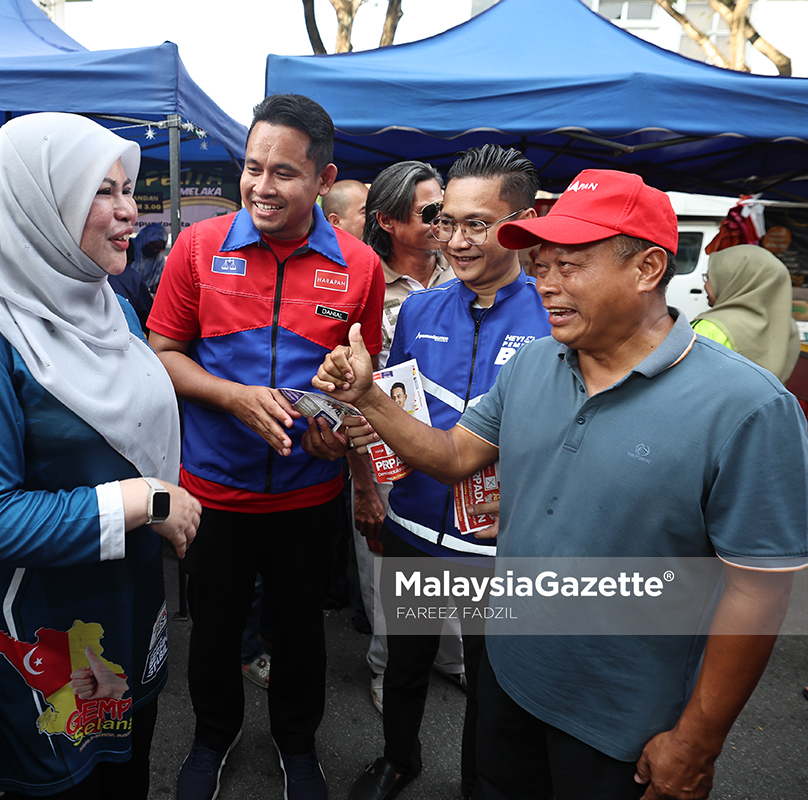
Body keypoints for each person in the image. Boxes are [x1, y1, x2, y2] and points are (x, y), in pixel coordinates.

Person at [315, 168, 808, 800]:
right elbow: (455, 453)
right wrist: (370, 402)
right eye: (541, 265)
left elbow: (758, 591)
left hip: (621, 729)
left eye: (568, 266)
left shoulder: (747, 407)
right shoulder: (533, 365)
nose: (545, 285)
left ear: (649, 267)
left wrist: (697, 740)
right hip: (510, 688)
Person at [0, 112, 200, 800]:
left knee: (126, 768)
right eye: (103, 190)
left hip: (124, 595)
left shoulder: (107, 302)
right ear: (38, 200)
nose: (130, 210)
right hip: (37, 613)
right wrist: (142, 499)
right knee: (66, 782)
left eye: (130, 188)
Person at [148, 94, 383, 800]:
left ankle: (297, 745)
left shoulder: (361, 266)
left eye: (283, 172)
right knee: (215, 633)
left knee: (301, 632)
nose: (261, 186)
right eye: (252, 168)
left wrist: (337, 428)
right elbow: (162, 352)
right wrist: (230, 396)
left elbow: (359, 383)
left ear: (322, 178)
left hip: (309, 493)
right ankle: (212, 738)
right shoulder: (197, 246)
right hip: (213, 490)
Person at [347, 145, 551, 800]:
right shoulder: (419, 310)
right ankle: (399, 760)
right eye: (445, 220)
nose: (454, 240)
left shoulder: (555, 318)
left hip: (501, 551)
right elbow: (397, 409)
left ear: (524, 221)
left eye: (477, 224)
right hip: (412, 527)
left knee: (493, 690)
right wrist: (362, 451)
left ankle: (478, 786)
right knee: (405, 667)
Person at [352, 160, 454, 717]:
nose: (445, 224)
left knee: (459, 568)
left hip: (458, 458)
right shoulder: (365, 281)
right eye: (431, 212)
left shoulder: (464, 277)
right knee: (389, 577)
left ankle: (451, 661)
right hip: (385, 464)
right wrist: (364, 485)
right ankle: (387, 674)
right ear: (388, 221)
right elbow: (349, 393)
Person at [692, 243, 799, 383]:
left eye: (709, 277)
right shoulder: (787, 326)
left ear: (733, 279)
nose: (705, 285)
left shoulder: (711, 327)